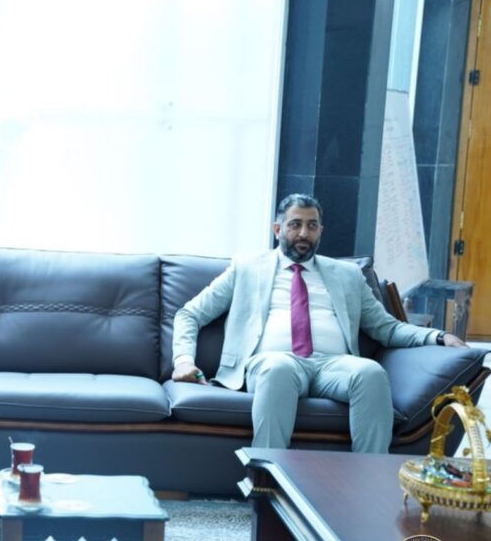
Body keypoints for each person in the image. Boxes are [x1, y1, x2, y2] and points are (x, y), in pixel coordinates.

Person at [171, 193, 467, 453]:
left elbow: (386, 328)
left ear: (320, 231)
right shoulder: (247, 268)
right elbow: (190, 314)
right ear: (277, 229)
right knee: (279, 368)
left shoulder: (348, 275)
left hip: (332, 365)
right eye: (295, 224)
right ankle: (266, 479)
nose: (304, 233)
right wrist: (184, 360)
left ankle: (369, 478)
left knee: (370, 372)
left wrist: (438, 337)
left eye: (312, 226)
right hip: (273, 362)